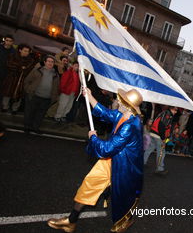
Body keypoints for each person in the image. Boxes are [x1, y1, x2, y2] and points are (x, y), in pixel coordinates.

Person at [47, 87, 143, 233]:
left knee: (123, 201)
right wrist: (90, 96)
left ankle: (124, 222)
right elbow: (106, 113)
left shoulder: (130, 126)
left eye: (120, 100)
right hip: (112, 161)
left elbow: (107, 149)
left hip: (124, 168)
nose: (117, 100)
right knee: (88, 185)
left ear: (127, 105)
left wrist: (93, 137)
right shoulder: (124, 115)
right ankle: (71, 221)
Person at [23, 55, 60, 134]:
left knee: (40, 115)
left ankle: (36, 128)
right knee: (30, 112)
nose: (50, 63)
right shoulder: (37, 70)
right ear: (45, 62)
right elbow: (27, 80)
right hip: (34, 96)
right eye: (48, 61)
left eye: (52, 62)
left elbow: (56, 87)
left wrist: (54, 98)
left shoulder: (56, 75)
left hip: (47, 98)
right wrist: (28, 90)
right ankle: (27, 127)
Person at [1, 44, 35, 114]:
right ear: (20, 50)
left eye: (28, 51)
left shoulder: (30, 60)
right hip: (11, 78)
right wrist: (20, 67)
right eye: (25, 51)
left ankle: (15, 109)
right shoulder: (13, 56)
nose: (26, 53)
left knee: (19, 95)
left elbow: (30, 70)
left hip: (22, 80)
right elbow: (9, 64)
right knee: (7, 93)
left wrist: (24, 70)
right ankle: (5, 107)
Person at [143, 106, 177, 175]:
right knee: (161, 152)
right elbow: (162, 125)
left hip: (153, 133)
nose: (176, 112)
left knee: (149, 149)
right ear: (172, 108)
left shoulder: (163, 113)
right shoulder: (167, 114)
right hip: (158, 135)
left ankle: (142, 162)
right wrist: (163, 138)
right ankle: (160, 169)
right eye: (175, 110)